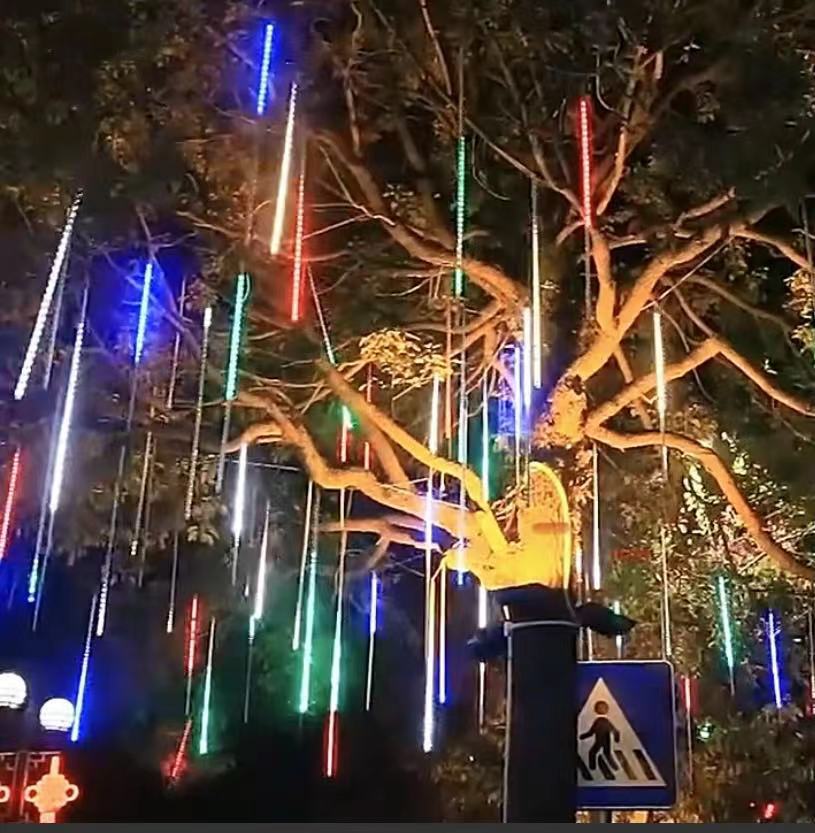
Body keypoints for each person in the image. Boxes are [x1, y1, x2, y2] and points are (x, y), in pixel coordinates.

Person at [579, 700, 620, 772]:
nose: (601, 709)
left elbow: (614, 730)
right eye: (600, 708)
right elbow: (592, 732)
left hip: (602, 741)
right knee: (601, 753)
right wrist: (582, 736)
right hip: (601, 741)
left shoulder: (604, 721)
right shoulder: (599, 721)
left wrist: (617, 738)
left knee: (597, 753)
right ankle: (594, 768)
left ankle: (594, 768)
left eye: (603, 708)